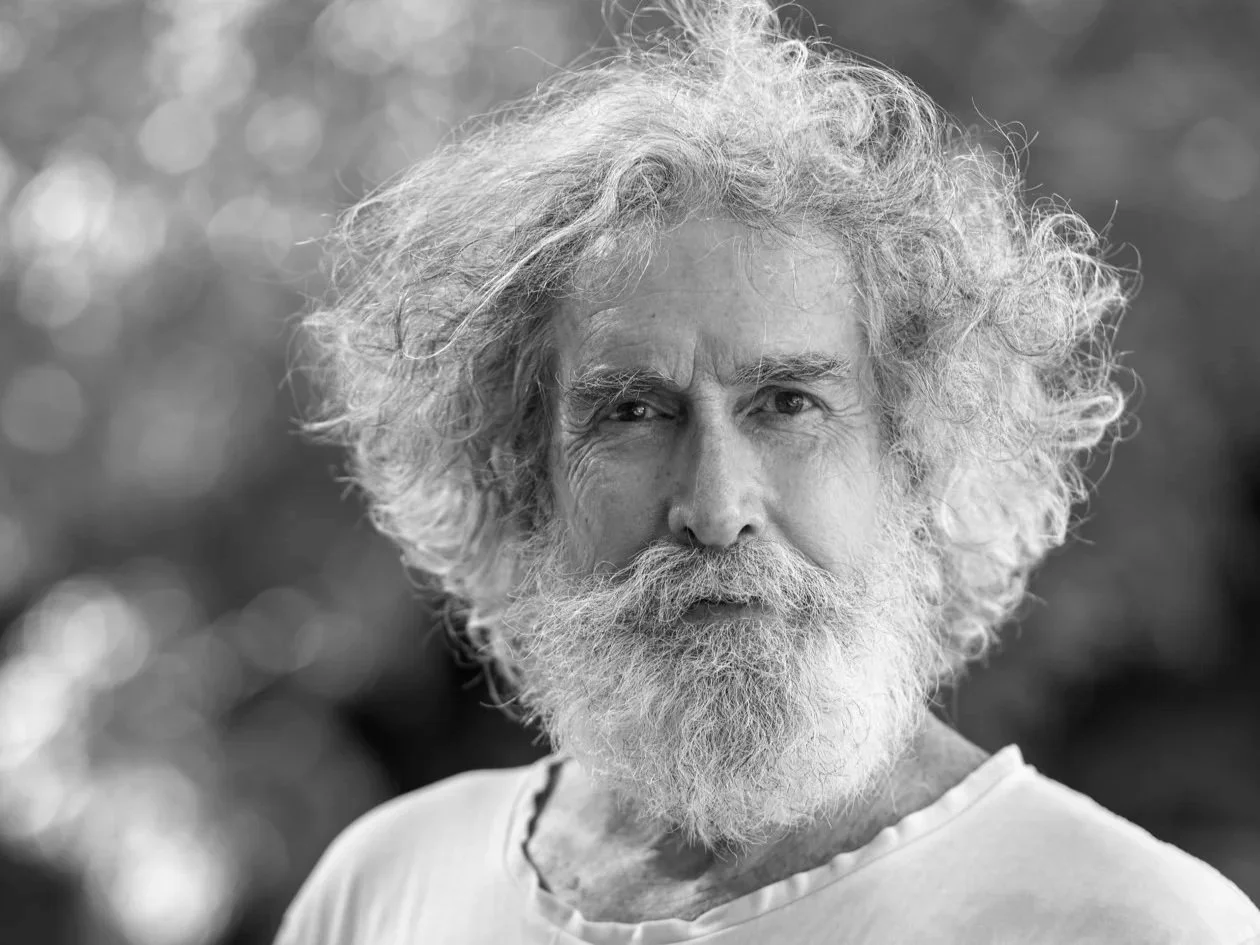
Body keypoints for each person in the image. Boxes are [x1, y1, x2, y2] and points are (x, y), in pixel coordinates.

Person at [278, 2, 1260, 941]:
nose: (712, 506)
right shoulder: (387, 884)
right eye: (632, 413)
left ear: (917, 462)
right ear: (521, 478)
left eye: (788, 405)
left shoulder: (1134, 923)